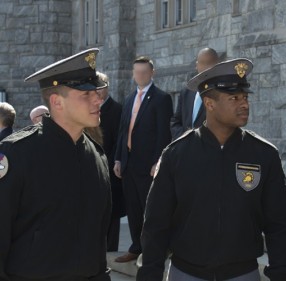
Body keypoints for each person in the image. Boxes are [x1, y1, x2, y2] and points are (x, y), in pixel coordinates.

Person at [136, 58, 286, 281]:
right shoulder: (176, 154)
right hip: (186, 273)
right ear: (209, 104)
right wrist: (150, 274)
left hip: (243, 274)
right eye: (234, 98)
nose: (244, 104)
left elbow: (279, 223)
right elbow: (156, 224)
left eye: (245, 97)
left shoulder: (264, 155)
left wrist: (281, 273)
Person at [0, 48, 112, 281]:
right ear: (56, 102)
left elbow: (99, 234)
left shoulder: (97, 155)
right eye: (86, 94)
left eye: (97, 92)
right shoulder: (17, 153)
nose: (97, 99)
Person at [113, 56, 173, 263]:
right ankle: (136, 247)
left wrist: (159, 161)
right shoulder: (129, 99)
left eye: (144, 72)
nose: (140, 76)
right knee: (133, 208)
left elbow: (164, 134)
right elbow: (123, 132)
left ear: (152, 73)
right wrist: (119, 160)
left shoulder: (161, 98)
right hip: (129, 164)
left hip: (149, 165)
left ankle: (154, 249)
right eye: (137, 72)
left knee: (152, 209)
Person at [97, 71, 126, 252]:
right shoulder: (87, 107)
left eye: (101, 87)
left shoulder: (116, 110)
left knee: (112, 215)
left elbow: (119, 140)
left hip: (109, 169)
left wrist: (112, 162)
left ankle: (110, 252)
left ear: (107, 88)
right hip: (92, 169)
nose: (97, 92)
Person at [170, 47, 219, 139]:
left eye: (209, 63)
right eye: (202, 63)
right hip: (185, 148)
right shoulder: (187, 91)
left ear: (217, 65)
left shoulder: (221, 92)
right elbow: (176, 121)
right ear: (196, 65)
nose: (205, 67)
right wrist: (184, 138)